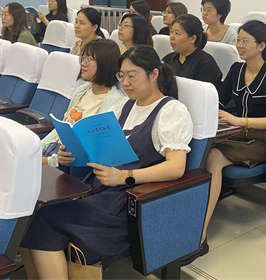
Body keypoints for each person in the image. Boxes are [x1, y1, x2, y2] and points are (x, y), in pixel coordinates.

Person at [20, 46, 194, 279]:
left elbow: (176, 167)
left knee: (43, 222)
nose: (126, 83)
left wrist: (124, 177)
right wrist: (71, 153)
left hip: (128, 202)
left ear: (154, 74)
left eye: (132, 76)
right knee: (32, 215)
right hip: (99, 190)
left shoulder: (171, 111)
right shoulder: (125, 106)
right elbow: (98, 148)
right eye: (122, 76)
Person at [183, 20, 266, 265]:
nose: (239, 45)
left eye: (245, 41)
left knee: (213, 156)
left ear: (261, 46)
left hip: (262, 140)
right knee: (197, 151)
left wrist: (240, 120)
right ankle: (187, 219)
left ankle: (200, 236)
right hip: (236, 134)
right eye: (238, 40)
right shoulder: (236, 69)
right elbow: (217, 101)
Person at [41, 39, 126, 168]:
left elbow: (96, 146)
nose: (83, 63)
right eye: (83, 58)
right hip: (55, 151)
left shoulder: (115, 101)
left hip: (70, 160)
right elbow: (62, 126)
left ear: (105, 64)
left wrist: (49, 160)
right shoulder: (82, 90)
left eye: (89, 59)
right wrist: (39, 147)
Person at [162, 14, 222, 88]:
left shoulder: (206, 64)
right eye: (171, 32)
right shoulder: (168, 59)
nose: (172, 37)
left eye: (177, 33)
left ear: (192, 38)